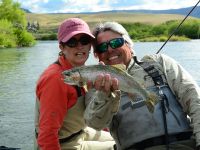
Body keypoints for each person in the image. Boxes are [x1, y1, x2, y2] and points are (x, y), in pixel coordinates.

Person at [84, 21, 200, 150]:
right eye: (102, 47)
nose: (110, 49)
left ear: (129, 44)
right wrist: (104, 95)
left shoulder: (159, 63)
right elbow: (95, 124)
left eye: (116, 42)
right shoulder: (93, 83)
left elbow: (195, 101)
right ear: (96, 55)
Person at [34, 18, 115, 150]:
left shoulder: (83, 71)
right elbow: (47, 133)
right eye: (72, 42)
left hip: (80, 132)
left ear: (90, 45)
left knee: (120, 136)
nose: (79, 46)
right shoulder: (56, 80)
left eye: (84, 40)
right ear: (62, 47)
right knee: (122, 145)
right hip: (64, 144)